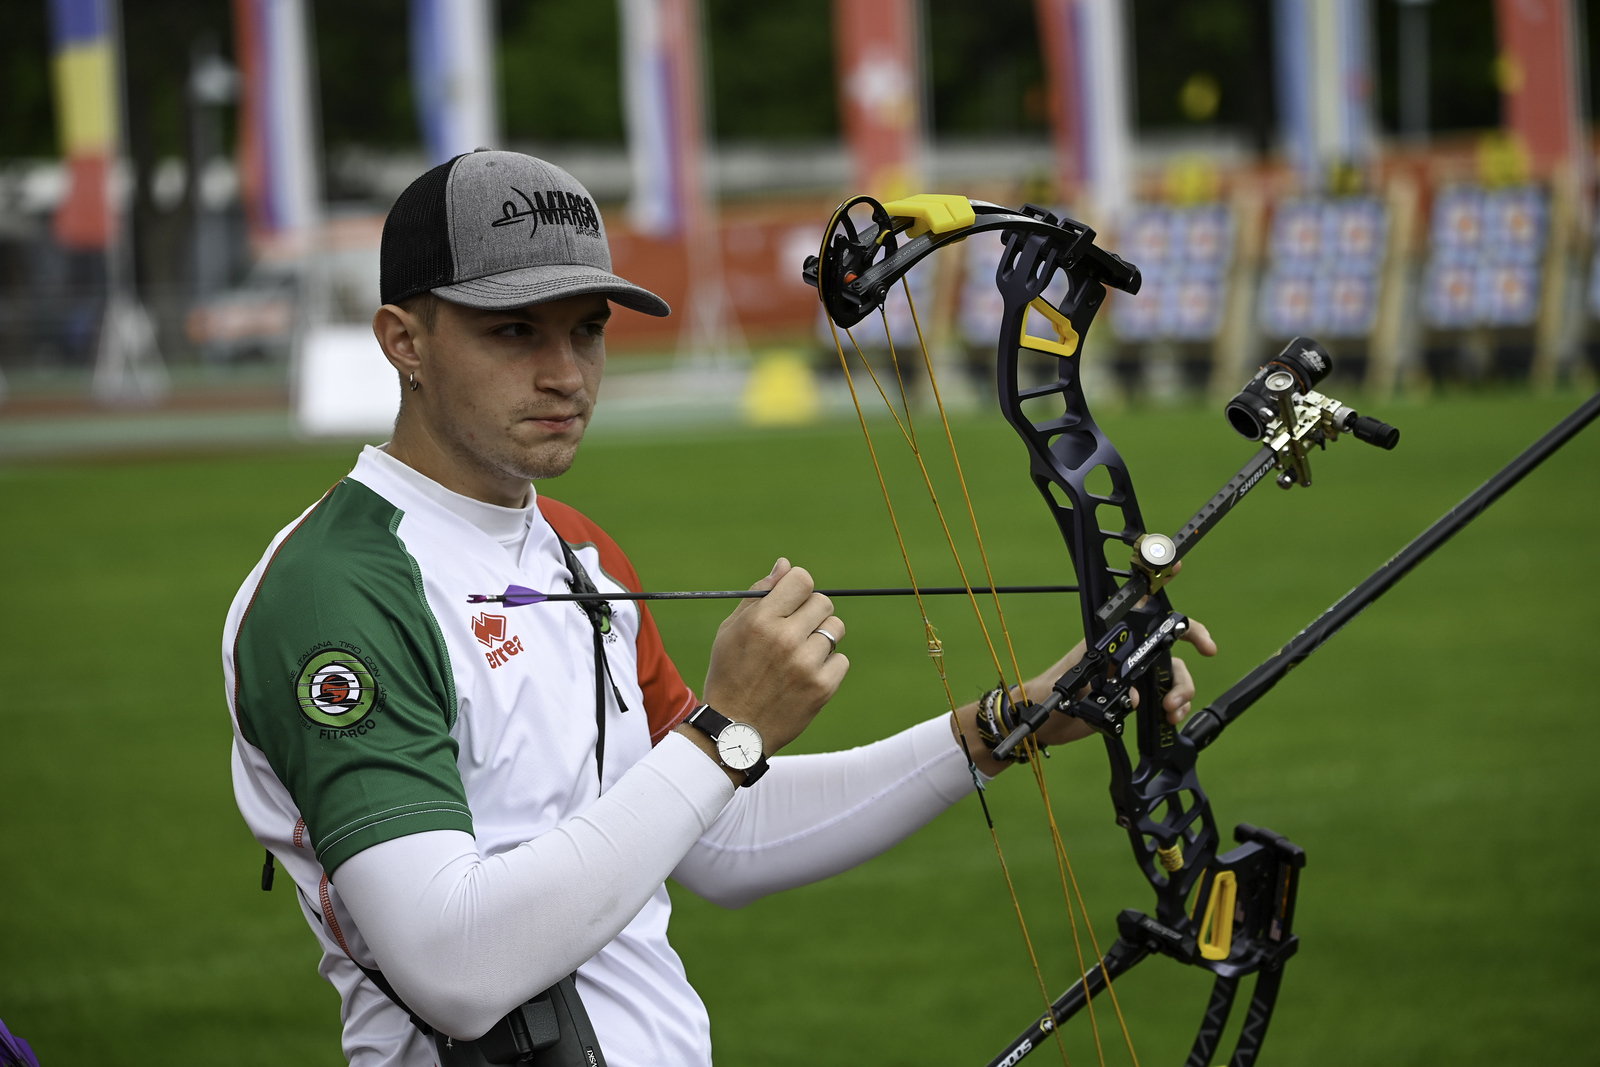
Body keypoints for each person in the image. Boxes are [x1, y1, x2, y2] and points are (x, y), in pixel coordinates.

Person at [222, 151, 1216, 1067]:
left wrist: (1005, 723)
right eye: (513, 330)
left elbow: (714, 837)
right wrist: (725, 730)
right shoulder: (338, 591)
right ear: (405, 340)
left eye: (587, 329)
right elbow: (455, 967)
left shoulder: (575, 548)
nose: (565, 372)